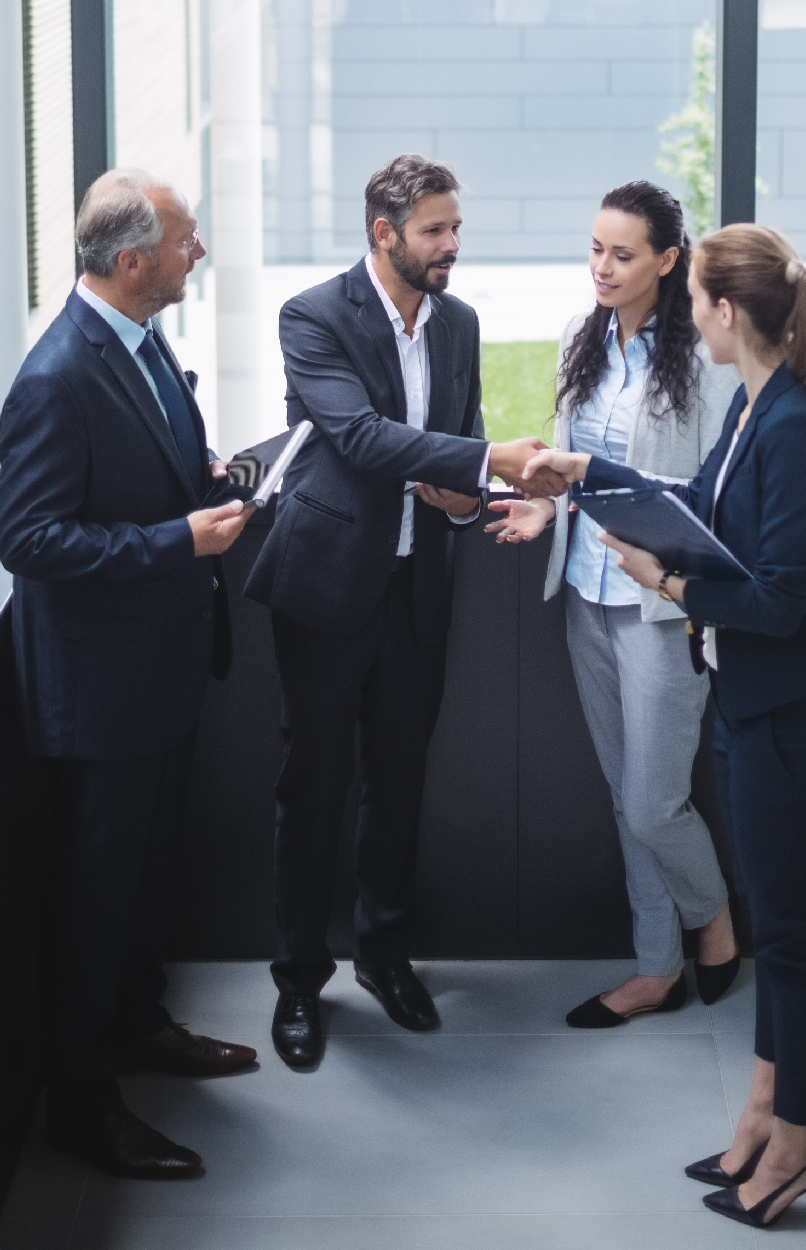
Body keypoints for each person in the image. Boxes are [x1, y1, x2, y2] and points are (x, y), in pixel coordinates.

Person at [523, 222, 806, 1229]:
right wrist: (584, 478)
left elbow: (778, 598)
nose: (689, 318)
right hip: (751, 699)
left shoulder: (798, 422)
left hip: (791, 711)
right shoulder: (755, 406)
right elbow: (697, 503)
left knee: (795, 936)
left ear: (722, 308)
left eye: (697, 301)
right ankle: (765, 1104)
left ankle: (800, 1138)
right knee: (780, 924)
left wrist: (665, 579)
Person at [243, 154, 568, 1068]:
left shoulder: (458, 324)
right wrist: (484, 462)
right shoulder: (312, 315)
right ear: (384, 233)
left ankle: (384, 957)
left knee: (399, 784)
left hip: (416, 587)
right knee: (311, 791)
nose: (452, 246)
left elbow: (452, 440)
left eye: (456, 228)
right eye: (435, 230)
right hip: (325, 588)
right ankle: (299, 982)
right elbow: (355, 436)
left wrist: (467, 495)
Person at [0, 169, 257, 1179]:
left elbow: (143, 468)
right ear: (136, 259)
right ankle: (82, 1101)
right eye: (189, 242)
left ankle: (142, 1026)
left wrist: (204, 483)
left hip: (158, 674)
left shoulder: (144, 343)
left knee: (147, 879)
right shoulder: (55, 376)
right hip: (98, 696)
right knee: (93, 899)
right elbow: (29, 538)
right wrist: (175, 539)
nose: (201, 255)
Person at [484, 182, 742, 1024]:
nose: (601, 267)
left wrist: (633, 523)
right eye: (594, 248)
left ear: (668, 262)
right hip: (585, 595)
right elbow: (573, 465)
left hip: (660, 606)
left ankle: (714, 919)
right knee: (620, 792)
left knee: (652, 801)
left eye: (622, 254)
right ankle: (655, 967)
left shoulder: (702, 358)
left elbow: (710, 493)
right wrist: (546, 505)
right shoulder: (579, 336)